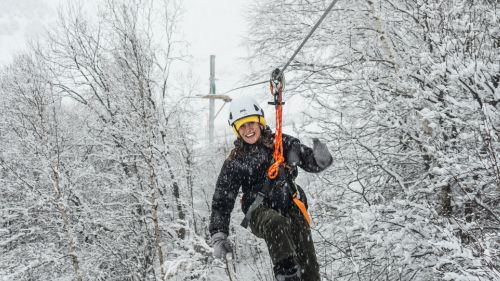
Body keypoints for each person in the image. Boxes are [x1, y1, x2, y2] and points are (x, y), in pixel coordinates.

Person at [209, 95, 332, 281]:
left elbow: (306, 159)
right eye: (242, 126)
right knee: (276, 223)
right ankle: (286, 273)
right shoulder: (235, 162)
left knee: (309, 268)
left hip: (290, 205)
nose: (247, 129)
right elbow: (222, 200)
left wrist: (319, 160)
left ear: (260, 123)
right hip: (259, 211)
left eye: (251, 123)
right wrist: (219, 234)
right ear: (236, 129)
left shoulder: (280, 144)